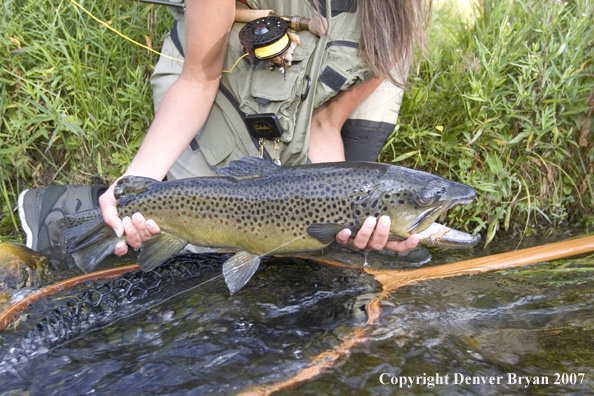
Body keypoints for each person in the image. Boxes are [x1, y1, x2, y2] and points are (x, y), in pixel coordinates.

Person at [19, 0, 431, 261]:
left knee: (301, 242)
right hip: (213, 85)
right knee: (200, 241)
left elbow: (326, 123)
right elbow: (198, 79)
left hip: (301, 111)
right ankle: (73, 206)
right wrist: (137, 179)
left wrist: (346, 216)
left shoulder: (396, 14)